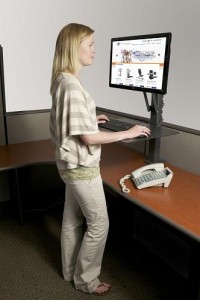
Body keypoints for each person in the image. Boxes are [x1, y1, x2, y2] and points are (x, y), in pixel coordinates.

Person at [49, 23, 150, 296]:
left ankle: (70, 273)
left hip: (68, 165)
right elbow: (89, 139)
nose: (95, 49)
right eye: (90, 44)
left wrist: (90, 120)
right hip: (81, 168)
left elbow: (68, 120)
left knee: (71, 220)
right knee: (99, 224)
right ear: (75, 47)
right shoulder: (71, 86)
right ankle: (86, 281)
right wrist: (126, 133)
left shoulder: (62, 78)